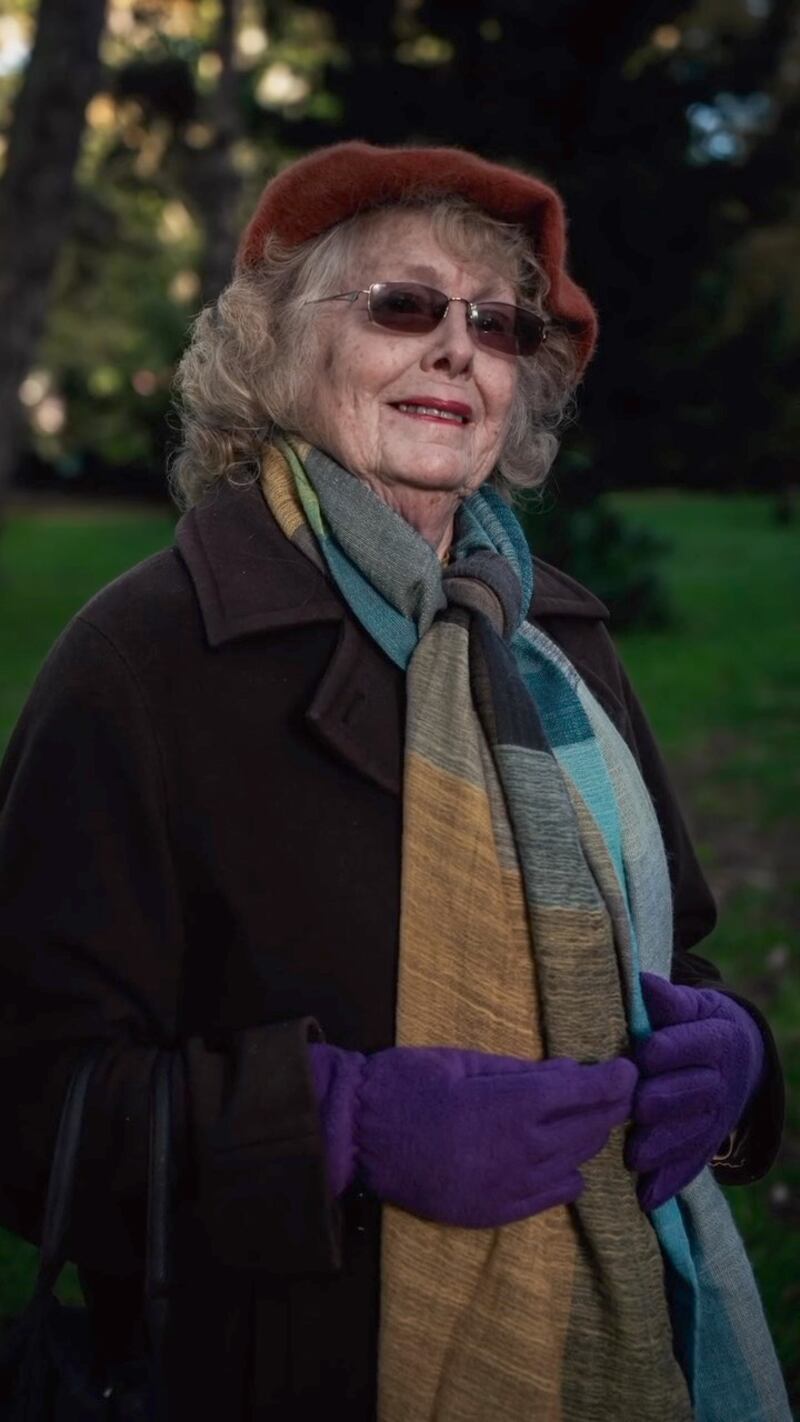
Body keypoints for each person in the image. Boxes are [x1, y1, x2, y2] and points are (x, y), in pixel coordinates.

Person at [0, 142, 789, 1422]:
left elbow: (676, 955)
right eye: (403, 305)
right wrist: (342, 1127)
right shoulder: (142, 656)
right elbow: (33, 1097)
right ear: (275, 349)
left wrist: (735, 1056)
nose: (458, 350)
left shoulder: (560, 643)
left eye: (497, 323)